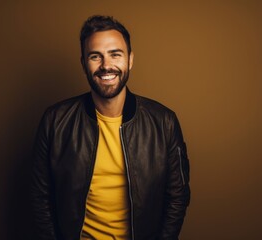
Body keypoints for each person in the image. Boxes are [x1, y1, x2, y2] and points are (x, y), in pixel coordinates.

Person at [31, 15, 190, 240]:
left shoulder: (164, 122)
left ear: (130, 60)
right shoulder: (55, 121)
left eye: (115, 54)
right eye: (96, 56)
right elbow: (40, 197)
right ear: (83, 63)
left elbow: (177, 197)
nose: (106, 65)